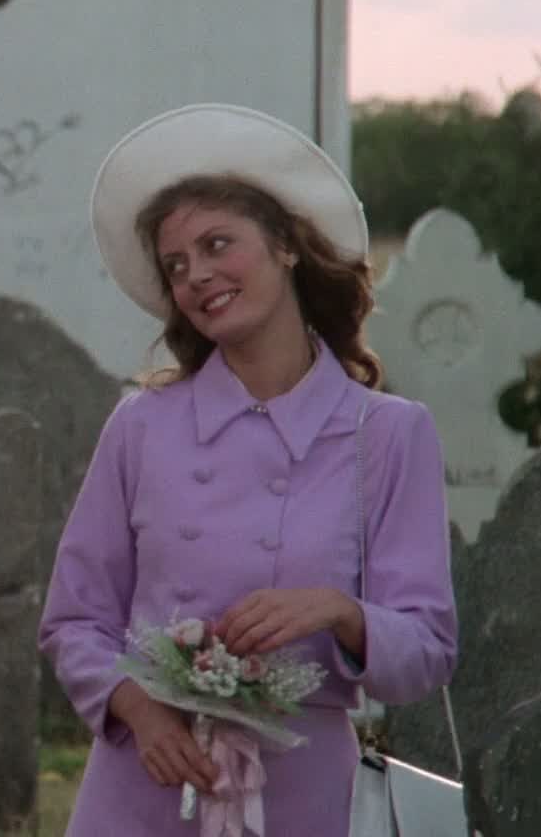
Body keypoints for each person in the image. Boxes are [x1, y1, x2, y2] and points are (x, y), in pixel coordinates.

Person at [38, 103, 458, 833]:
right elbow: (75, 620)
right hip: (143, 785)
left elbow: (427, 650)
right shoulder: (141, 425)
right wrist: (139, 710)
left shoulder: (389, 434)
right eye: (176, 265)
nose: (197, 275)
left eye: (217, 244)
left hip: (304, 796)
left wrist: (339, 611)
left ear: (286, 246)